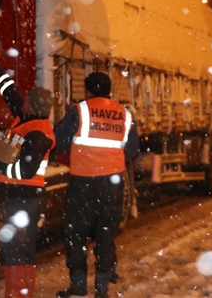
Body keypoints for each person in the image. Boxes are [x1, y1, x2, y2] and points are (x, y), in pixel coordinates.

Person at [0, 47, 55, 298]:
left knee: (16, 250)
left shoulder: (38, 134)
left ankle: (18, 295)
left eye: (27, 100)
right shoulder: (28, 119)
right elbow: (9, 92)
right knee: (20, 249)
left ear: (32, 107)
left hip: (24, 199)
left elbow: (23, 170)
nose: (21, 101)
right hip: (21, 198)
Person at [54, 72, 140, 298]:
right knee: (105, 235)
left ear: (88, 91)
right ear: (109, 91)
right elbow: (131, 151)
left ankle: (79, 287)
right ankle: (102, 289)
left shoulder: (79, 111)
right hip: (112, 184)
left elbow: (59, 141)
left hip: (83, 183)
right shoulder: (125, 114)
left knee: (76, 235)